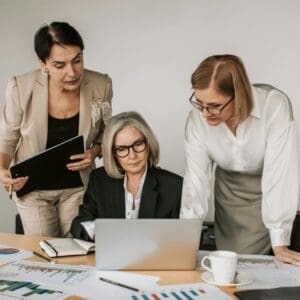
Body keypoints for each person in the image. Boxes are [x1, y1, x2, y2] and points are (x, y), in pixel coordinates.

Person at [180, 54, 300, 266]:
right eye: (200, 103)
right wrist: (185, 242)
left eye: (214, 106)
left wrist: (280, 242)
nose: (206, 114)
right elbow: (195, 182)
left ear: (239, 94)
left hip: (268, 195)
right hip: (228, 198)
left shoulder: (274, 106)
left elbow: (279, 175)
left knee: (263, 268)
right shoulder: (197, 120)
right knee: (231, 266)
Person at [0, 22, 113, 237]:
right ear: (43, 64)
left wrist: (94, 152)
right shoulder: (20, 87)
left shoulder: (101, 84)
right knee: (44, 253)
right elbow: (7, 137)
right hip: (33, 188)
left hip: (78, 186)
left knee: (77, 251)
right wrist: (2, 169)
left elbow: (106, 132)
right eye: (60, 65)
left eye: (77, 60)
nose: (72, 72)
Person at [71, 111, 182, 241]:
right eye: (122, 149)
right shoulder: (99, 180)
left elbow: (185, 238)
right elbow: (79, 224)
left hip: (155, 259)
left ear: (148, 143)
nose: (132, 155)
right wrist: (100, 231)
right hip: (110, 258)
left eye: (138, 144)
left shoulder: (175, 186)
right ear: (113, 153)